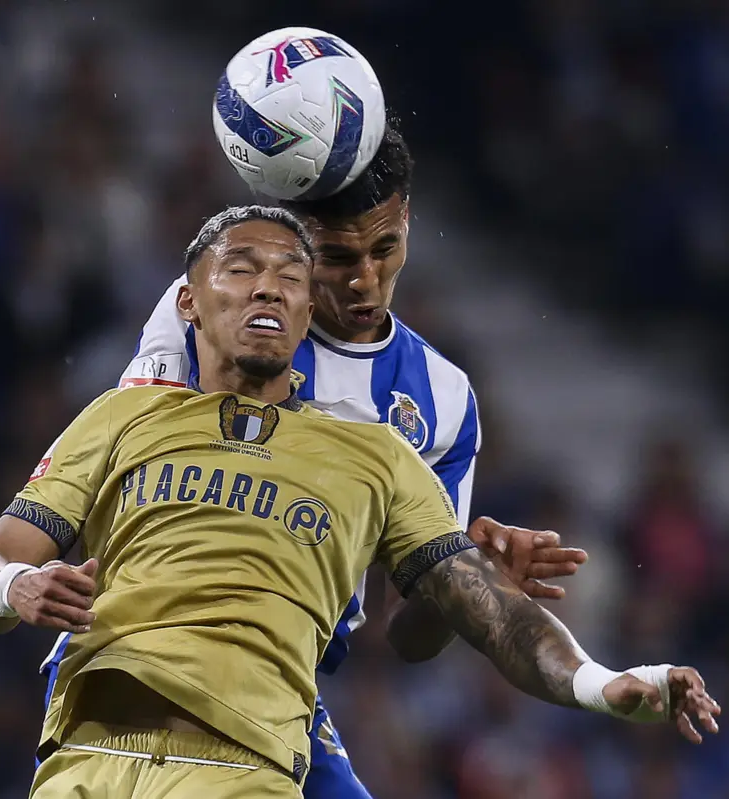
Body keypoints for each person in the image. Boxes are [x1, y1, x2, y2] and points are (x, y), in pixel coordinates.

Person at [0, 207, 720, 799]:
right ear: (188, 302)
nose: (268, 287)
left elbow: (493, 613)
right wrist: (20, 586)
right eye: (241, 269)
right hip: (84, 763)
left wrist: (604, 684)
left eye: (291, 276)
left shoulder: (373, 456)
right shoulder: (122, 417)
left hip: (241, 773)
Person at [106, 119, 588, 797]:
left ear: (408, 222)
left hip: (283, 690)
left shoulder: (443, 397)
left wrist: (469, 580)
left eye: (384, 249)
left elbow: (408, 636)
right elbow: (123, 465)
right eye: (337, 258)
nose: (366, 279)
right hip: (148, 652)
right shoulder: (212, 314)